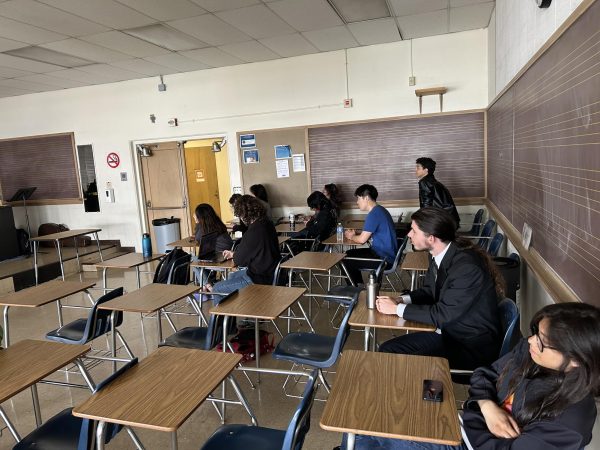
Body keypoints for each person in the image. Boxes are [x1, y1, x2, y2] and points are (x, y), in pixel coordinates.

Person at [338, 302, 600, 450]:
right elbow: (484, 374)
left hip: (461, 442)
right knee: (384, 401)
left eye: (542, 341)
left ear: (576, 359)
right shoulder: (531, 354)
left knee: (366, 425)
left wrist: (459, 424)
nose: (531, 340)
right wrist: (487, 407)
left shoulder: (571, 419)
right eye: (534, 332)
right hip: (460, 419)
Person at [376, 207, 503, 369]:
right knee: (388, 349)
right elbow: (430, 291)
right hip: (450, 333)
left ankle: (408, 392)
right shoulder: (440, 253)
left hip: (470, 346)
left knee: (399, 360)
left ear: (431, 238)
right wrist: (400, 299)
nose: (409, 234)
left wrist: (396, 309)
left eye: (414, 231)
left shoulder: (467, 268)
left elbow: (442, 315)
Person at [211, 195, 280, 302]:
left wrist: (234, 254)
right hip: (272, 271)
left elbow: (240, 261)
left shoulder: (253, 232)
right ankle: (239, 310)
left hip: (260, 278)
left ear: (243, 215)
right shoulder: (267, 223)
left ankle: (223, 318)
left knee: (217, 288)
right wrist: (235, 253)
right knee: (232, 277)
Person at [343, 184, 398, 286]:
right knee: (348, 253)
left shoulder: (374, 214)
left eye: (359, 199)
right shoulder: (380, 210)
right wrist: (357, 235)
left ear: (366, 198)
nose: (357, 202)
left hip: (384, 259)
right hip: (384, 254)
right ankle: (359, 286)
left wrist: (351, 236)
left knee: (345, 261)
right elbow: (367, 234)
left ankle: (356, 291)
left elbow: (361, 240)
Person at [190, 203, 233, 288]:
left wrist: (197, 222)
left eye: (196, 215)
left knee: (193, 260)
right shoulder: (217, 222)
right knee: (202, 257)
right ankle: (209, 285)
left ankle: (209, 287)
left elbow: (198, 238)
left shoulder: (205, 227)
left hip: (219, 257)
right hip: (228, 254)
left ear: (201, 217)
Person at [416, 157, 460, 228]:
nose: (416, 170)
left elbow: (426, 205)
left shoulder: (425, 182)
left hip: (443, 222)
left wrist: (422, 221)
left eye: (418, 168)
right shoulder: (433, 181)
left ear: (426, 170)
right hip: (449, 220)